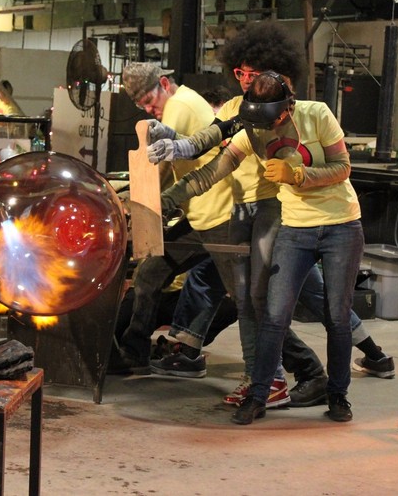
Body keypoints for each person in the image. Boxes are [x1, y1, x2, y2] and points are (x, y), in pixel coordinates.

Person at [156, 70, 364, 424]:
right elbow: (212, 170)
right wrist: (168, 199)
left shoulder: (317, 114)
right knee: (271, 313)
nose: (266, 130)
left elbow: (343, 167)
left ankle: (338, 396)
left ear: (287, 108)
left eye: (271, 122)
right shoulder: (253, 128)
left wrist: (299, 176)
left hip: (340, 225)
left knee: (337, 317)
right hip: (295, 228)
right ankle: (259, 395)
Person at [109, 62, 237, 377]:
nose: (148, 109)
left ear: (165, 83)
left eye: (150, 101)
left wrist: (135, 204)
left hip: (220, 218)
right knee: (151, 272)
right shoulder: (182, 102)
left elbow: (163, 168)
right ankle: (135, 351)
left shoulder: (179, 104)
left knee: (249, 303)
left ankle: (304, 367)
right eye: (141, 106)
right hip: (201, 216)